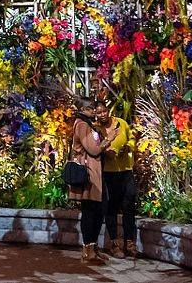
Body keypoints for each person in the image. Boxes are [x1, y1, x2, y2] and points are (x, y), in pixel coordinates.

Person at [70, 97, 114, 263]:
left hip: (97, 174)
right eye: (90, 108)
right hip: (89, 175)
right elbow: (94, 149)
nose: (93, 111)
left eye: (93, 107)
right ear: (82, 109)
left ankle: (93, 247)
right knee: (90, 211)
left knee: (99, 209)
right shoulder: (81, 124)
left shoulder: (89, 124)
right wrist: (109, 139)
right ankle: (88, 250)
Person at [96, 100, 137, 259]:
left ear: (108, 110)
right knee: (111, 208)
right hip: (108, 173)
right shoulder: (97, 130)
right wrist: (109, 152)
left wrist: (128, 147)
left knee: (128, 205)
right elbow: (96, 148)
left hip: (126, 171)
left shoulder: (121, 124)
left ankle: (129, 241)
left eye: (104, 111)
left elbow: (132, 139)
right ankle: (114, 243)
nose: (102, 115)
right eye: (98, 112)